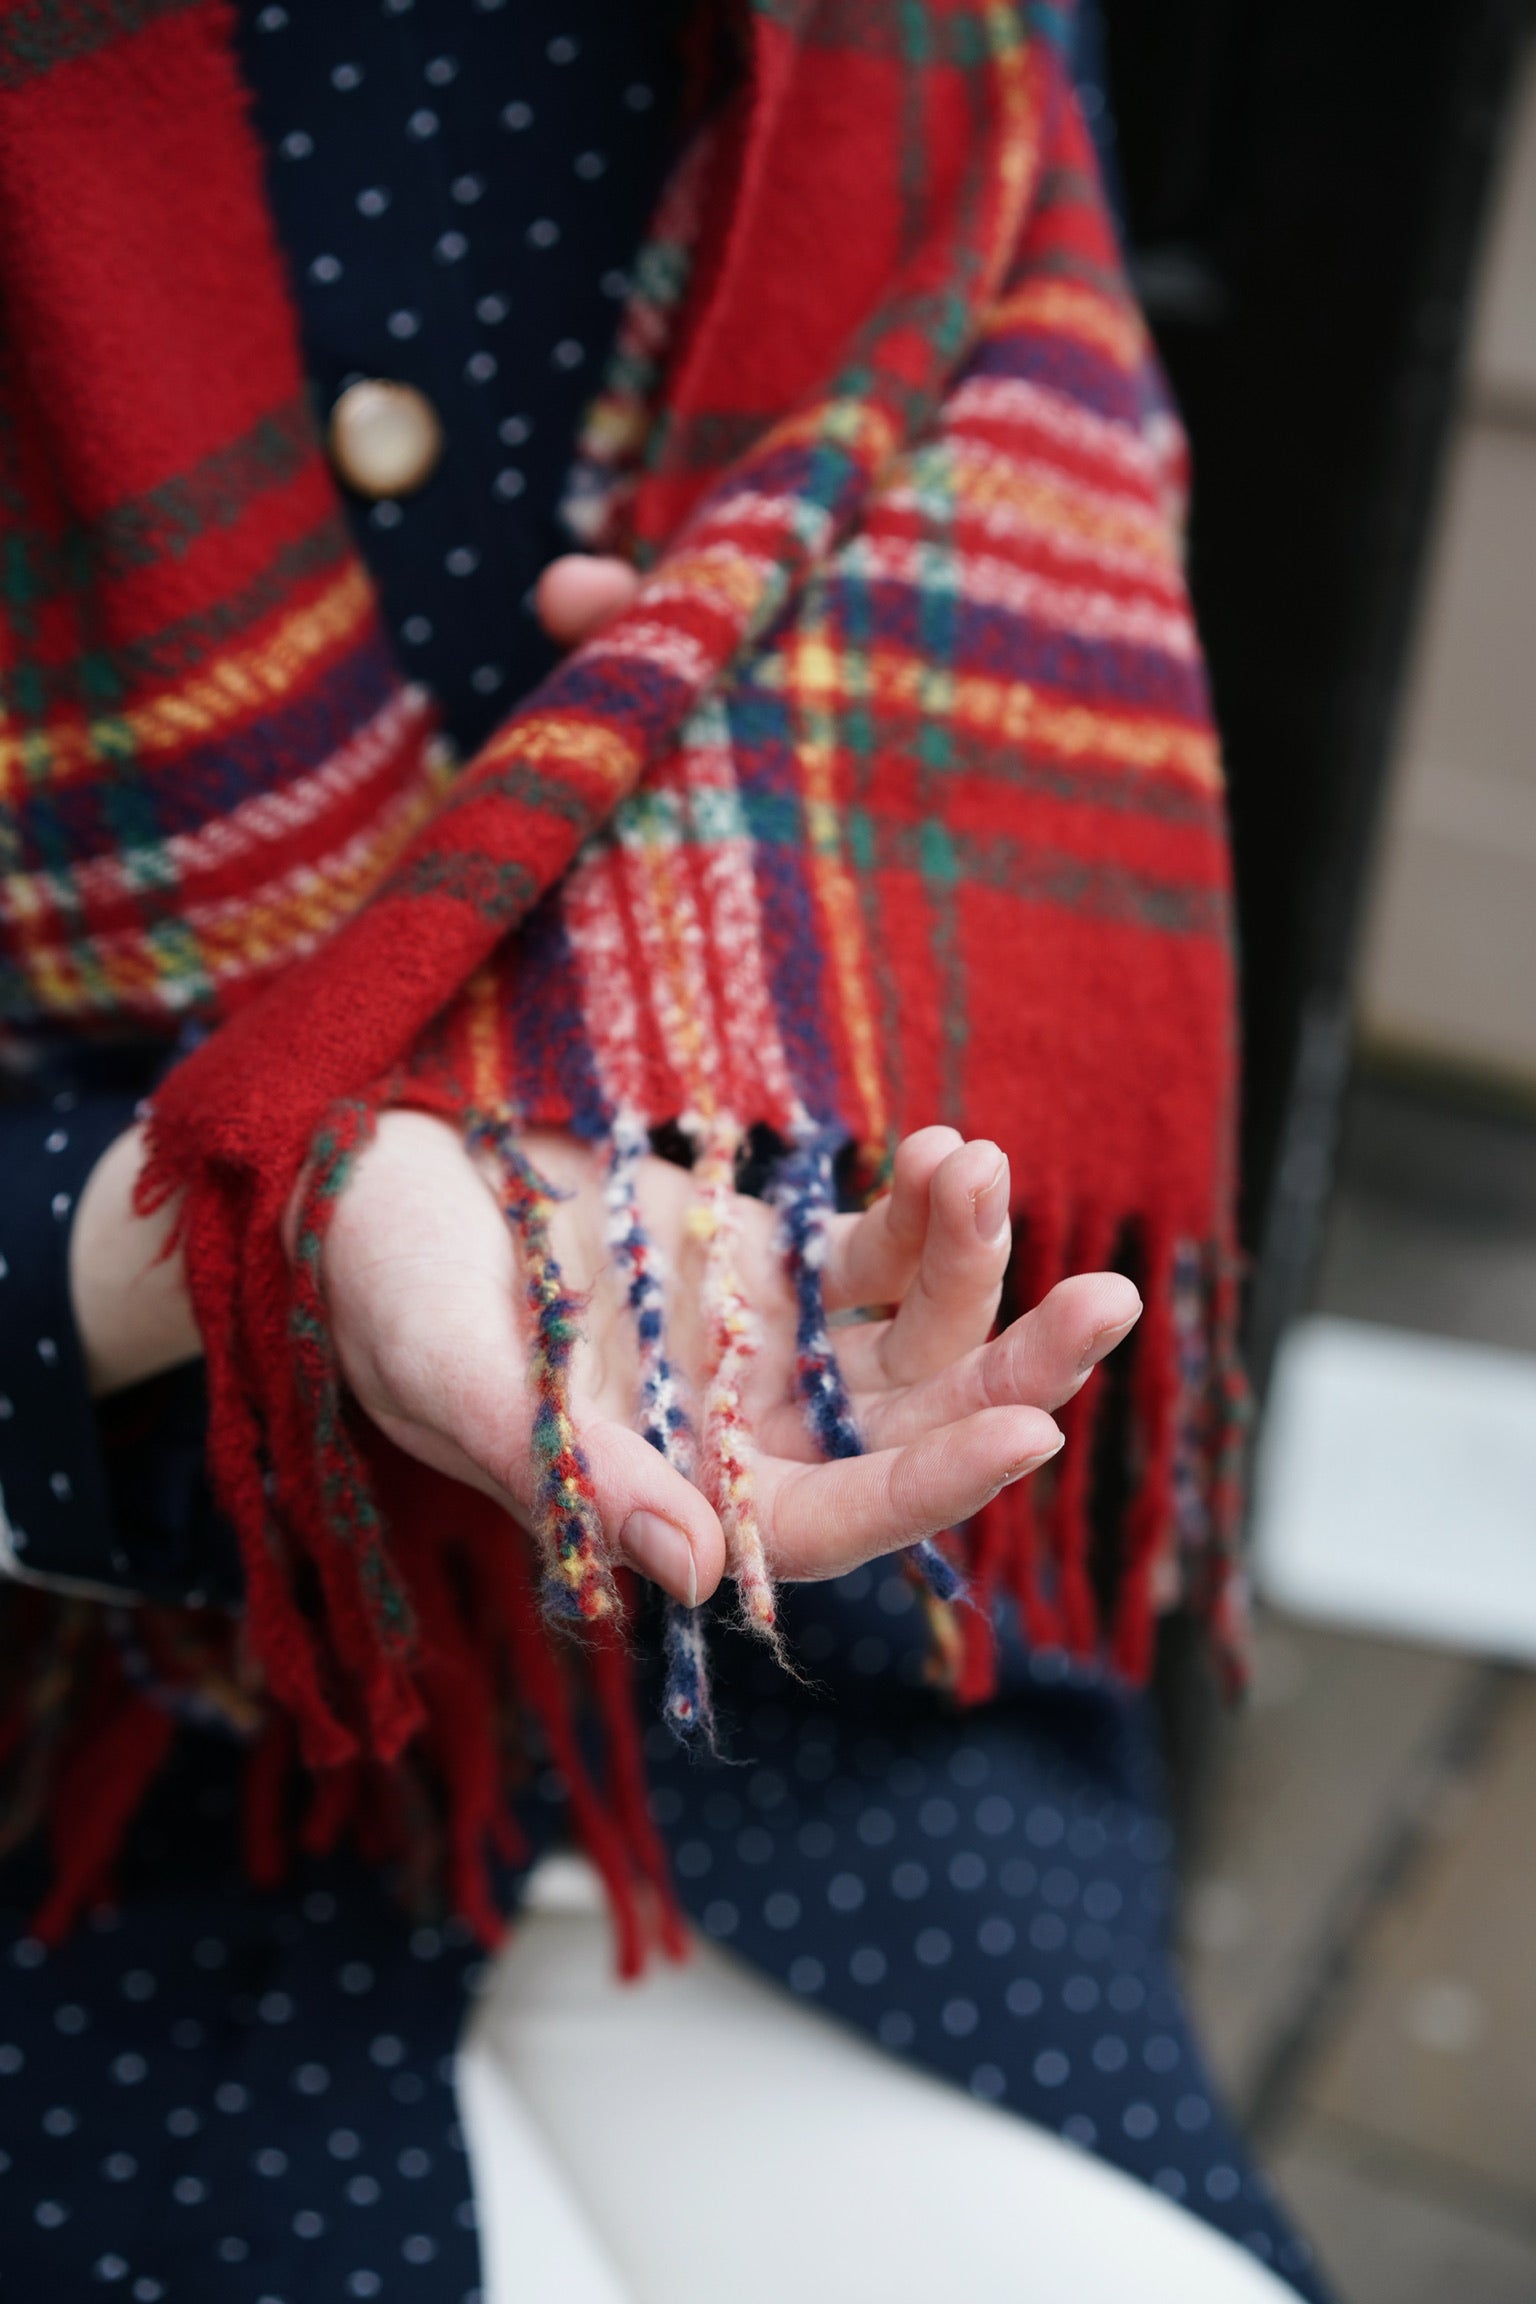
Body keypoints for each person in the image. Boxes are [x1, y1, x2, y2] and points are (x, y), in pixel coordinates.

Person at [0, 2, 1328, 2297]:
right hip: (69, 1769)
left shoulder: (925, 43)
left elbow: (1023, 698)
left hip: (761, 1688)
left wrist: (749, 852)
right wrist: (256, 1226)